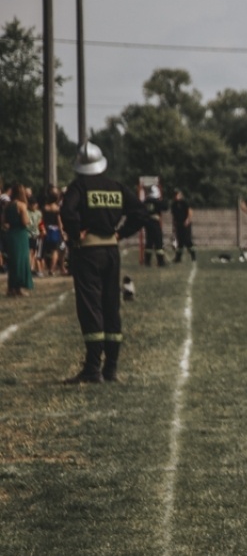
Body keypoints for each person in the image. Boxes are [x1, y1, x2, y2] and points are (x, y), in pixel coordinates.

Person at [59, 143, 148, 383]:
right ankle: (111, 368)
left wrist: (76, 234)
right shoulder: (116, 187)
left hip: (87, 252)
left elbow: (67, 212)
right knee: (111, 306)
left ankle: (91, 368)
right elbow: (140, 212)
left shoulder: (78, 186)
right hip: (111, 251)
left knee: (91, 308)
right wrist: (120, 233)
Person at [3, 185, 34, 297]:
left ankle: (11, 288)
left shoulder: (8, 205)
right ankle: (19, 287)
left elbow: (3, 221)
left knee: (13, 262)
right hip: (20, 234)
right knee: (21, 261)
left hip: (11, 234)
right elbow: (25, 221)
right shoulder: (21, 205)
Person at [141, 183, 168, 267]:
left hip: (147, 223)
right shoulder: (156, 201)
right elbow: (165, 207)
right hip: (155, 223)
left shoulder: (145, 201)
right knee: (158, 242)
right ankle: (161, 262)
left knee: (149, 242)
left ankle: (147, 261)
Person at [39, 189, 65, 276]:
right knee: (55, 251)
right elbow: (59, 222)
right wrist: (62, 232)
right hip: (55, 230)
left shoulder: (44, 207)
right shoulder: (57, 208)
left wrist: (42, 229)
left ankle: (41, 269)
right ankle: (51, 269)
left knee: (44, 250)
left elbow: (41, 219)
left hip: (46, 229)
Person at [170, 188, 196, 262]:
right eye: (175, 194)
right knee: (180, 242)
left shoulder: (184, 202)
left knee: (187, 241)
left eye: (177, 194)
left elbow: (190, 211)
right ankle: (178, 258)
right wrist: (174, 225)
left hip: (185, 223)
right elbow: (174, 216)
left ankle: (193, 256)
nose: (176, 196)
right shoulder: (174, 204)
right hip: (178, 224)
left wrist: (188, 220)